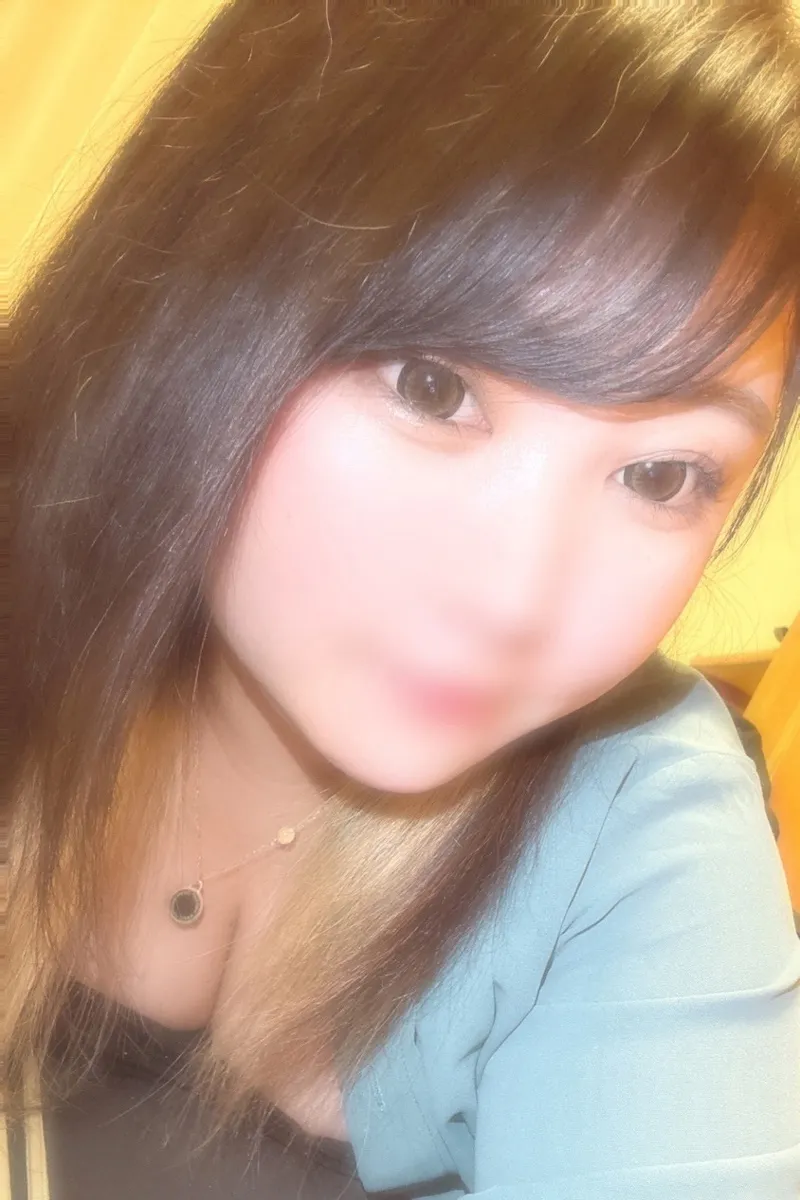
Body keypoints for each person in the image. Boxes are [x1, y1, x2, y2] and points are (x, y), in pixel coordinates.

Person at [6, 2, 800, 1197]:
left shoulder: (635, 823)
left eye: (659, 475)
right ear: (194, 290)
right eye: (431, 387)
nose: (515, 600)